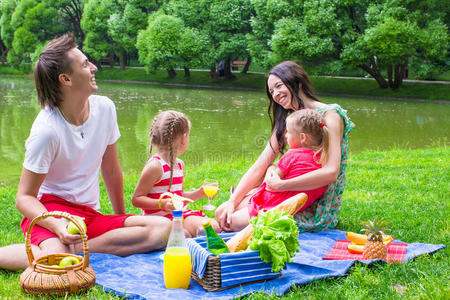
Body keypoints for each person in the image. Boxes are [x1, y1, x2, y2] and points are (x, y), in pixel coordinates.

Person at [0, 33, 171, 271]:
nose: (94, 67)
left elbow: (111, 170)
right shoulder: (47, 131)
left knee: (163, 229)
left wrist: (120, 220)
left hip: (89, 215)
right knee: (59, 267)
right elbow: (25, 197)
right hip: (51, 212)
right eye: (84, 64)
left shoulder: (105, 109)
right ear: (66, 79)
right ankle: (56, 250)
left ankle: (75, 249)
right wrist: (56, 226)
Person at [216, 61, 355, 232]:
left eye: (278, 86)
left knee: (233, 221)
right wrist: (233, 202)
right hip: (281, 192)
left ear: (297, 82)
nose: (275, 94)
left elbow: (331, 172)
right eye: (271, 91)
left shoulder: (331, 115)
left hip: (312, 203)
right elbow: (260, 165)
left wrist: (282, 185)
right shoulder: (289, 121)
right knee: (223, 212)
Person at [228, 109, 329, 231]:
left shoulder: (293, 155)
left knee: (228, 221)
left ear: (303, 138)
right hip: (288, 210)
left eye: (289, 133)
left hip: (269, 208)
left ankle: (247, 197)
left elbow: (270, 181)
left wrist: (271, 170)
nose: (285, 136)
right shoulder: (322, 160)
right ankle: (245, 198)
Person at [132, 110, 220, 237]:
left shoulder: (179, 165)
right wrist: (161, 204)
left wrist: (199, 193)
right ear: (184, 138)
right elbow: (136, 199)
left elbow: (177, 197)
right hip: (159, 221)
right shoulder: (155, 166)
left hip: (179, 215)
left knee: (212, 228)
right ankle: (187, 236)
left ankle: (190, 235)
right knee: (184, 235)